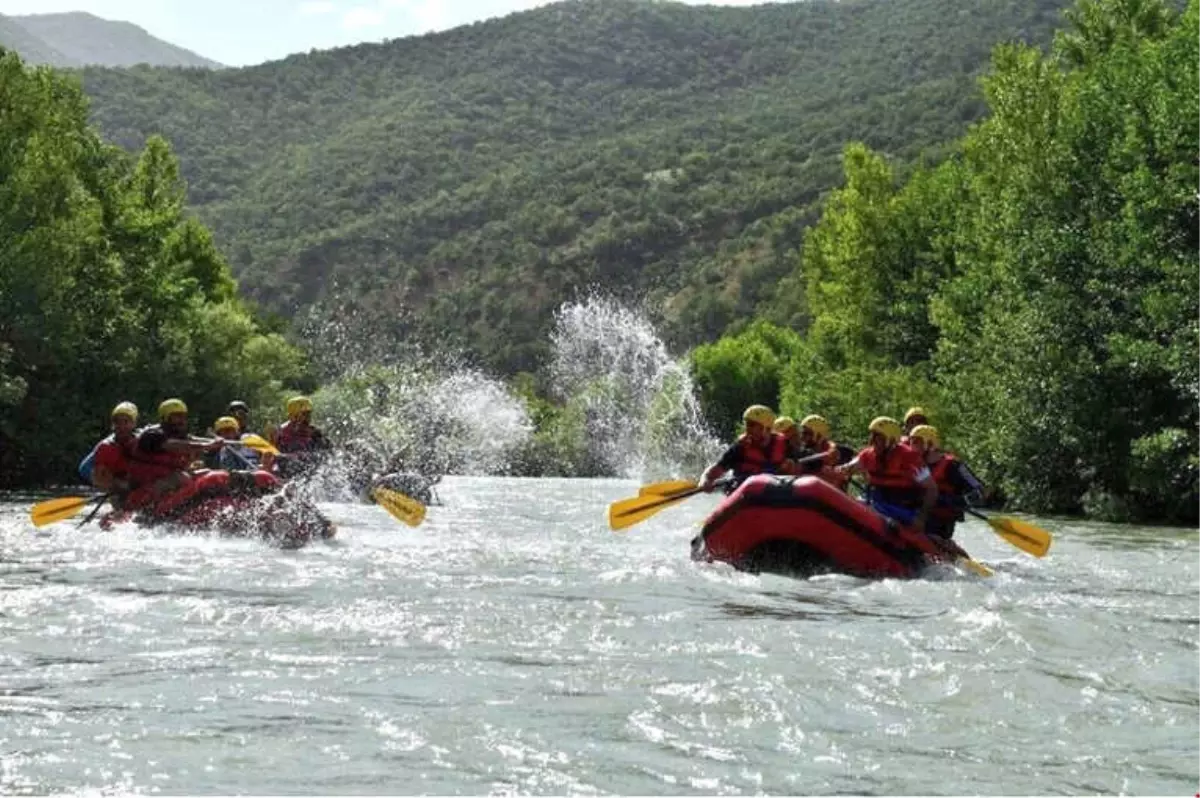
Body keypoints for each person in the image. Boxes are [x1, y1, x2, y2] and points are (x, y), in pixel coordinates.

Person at [123, 398, 227, 517]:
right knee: (181, 477)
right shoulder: (152, 435)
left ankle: (203, 504)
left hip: (163, 484)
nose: (181, 420)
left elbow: (192, 439)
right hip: (143, 490)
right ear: (165, 418)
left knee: (206, 472)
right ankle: (160, 511)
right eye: (176, 416)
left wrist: (216, 441)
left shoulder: (178, 434)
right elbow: (178, 445)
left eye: (183, 416)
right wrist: (208, 445)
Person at [837, 416, 937, 533]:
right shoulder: (868, 455)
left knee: (876, 512)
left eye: (878, 437)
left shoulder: (909, 457)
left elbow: (932, 489)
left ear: (891, 440)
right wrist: (839, 469)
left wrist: (921, 518)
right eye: (872, 435)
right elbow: (846, 469)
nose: (872, 441)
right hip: (875, 503)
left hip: (902, 509)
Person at [908, 425, 985, 539]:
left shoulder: (953, 465)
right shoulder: (913, 463)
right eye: (911, 442)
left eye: (917, 442)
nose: (912, 447)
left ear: (930, 444)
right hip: (918, 514)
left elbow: (981, 490)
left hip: (942, 521)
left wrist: (961, 501)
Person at [699, 405, 792, 492]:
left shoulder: (784, 444)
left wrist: (790, 467)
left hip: (775, 494)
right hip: (745, 495)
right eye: (746, 424)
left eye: (751, 425)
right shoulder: (740, 448)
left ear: (766, 427)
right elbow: (716, 470)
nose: (747, 429)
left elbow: (798, 469)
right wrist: (705, 480)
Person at [80, 402, 139, 500]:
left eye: (126, 422)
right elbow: (86, 470)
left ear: (134, 424)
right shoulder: (105, 446)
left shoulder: (143, 440)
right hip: (101, 475)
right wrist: (112, 485)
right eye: (117, 422)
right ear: (113, 424)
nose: (121, 426)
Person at [271, 395, 331, 478]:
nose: (308, 418)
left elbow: (328, 452)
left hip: (311, 468)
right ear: (294, 416)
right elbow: (275, 456)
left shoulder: (314, 432)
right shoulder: (281, 432)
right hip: (288, 468)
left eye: (309, 414)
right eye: (304, 414)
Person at [792, 414, 856, 491]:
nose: (802, 437)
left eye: (806, 433)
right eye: (802, 433)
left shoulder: (840, 451)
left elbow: (858, 459)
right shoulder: (803, 453)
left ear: (818, 435)